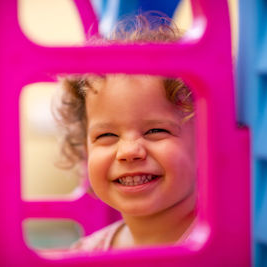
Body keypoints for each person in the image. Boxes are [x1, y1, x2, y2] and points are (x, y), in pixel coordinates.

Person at [54, 12, 198, 252]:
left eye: (155, 130)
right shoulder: (88, 253)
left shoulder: (229, 247)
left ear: (208, 140)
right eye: (106, 136)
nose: (129, 152)